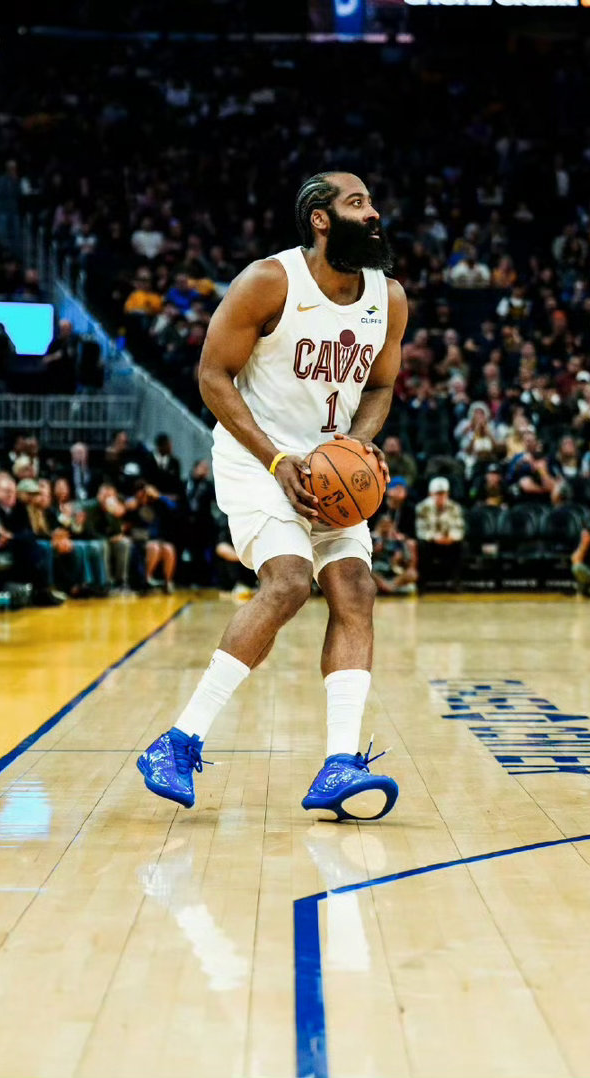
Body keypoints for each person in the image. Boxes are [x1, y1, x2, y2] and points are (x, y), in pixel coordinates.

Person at [137, 170, 407, 821]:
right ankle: (178, 742)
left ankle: (339, 763)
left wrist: (360, 444)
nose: (373, 213)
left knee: (356, 589)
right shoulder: (270, 281)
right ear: (321, 218)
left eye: (372, 201)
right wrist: (277, 459)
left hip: (330, 467)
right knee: (287, 582)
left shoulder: (388, 297)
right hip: (258, 460)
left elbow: (379, 386)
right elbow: (212, 375)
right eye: (357, 203)